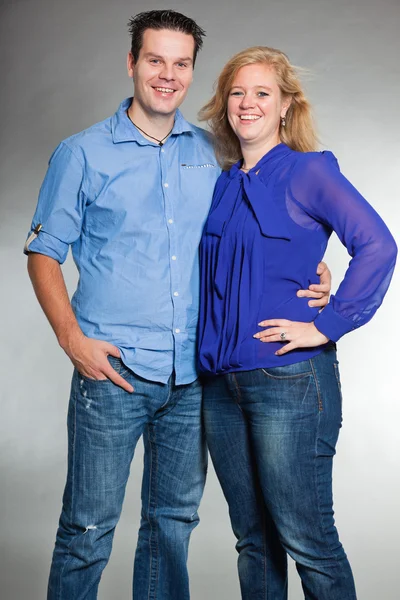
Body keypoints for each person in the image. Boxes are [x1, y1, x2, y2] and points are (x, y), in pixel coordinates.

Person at [24, 12, 331, 600]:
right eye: (155, 60)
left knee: (171, 526)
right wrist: (71, 339)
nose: (168, 75)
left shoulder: (213, 153)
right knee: (87, 531)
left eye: (181, 63)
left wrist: (314, 267)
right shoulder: (82, 153)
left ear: (192, 70)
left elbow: (258, 229)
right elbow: (44, 253)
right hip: (111, 372)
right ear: (132, 63)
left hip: (192, 377)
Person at [198, 46, 397, 600]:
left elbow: (378, 245)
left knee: (308, 539)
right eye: (237, 92)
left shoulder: (310, 170)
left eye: (263, 92)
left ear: (286, 105)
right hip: (220, 386)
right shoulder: (221, 183)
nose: (247, 103)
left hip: (289, 381)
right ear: (224, 104)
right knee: (254, 541)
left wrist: (326, 324)